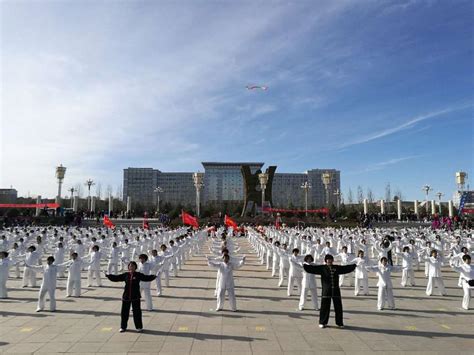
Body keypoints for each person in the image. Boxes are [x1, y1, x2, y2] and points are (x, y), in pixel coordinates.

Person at [303, 254, 356, 328]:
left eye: (330, 259)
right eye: (328, 259)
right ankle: (323, 322)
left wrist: (354, 266)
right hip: (326, 290)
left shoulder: (336, 268)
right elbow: (313, 269)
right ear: (325, 260)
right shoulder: (322, 268)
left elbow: (345, 268)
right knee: (325, 307)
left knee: (338, 307)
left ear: (332, 260)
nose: (329, 261)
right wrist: (305, 266)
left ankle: (339, 323)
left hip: (336, 290)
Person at [105, 261, 156, 333]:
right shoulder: (126, 275)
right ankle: (123, 327)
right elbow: (117, 278)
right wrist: (109, 276)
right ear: (128, 267)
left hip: (135, 296)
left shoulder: (138, 275)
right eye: (130, 266)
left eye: (133, 266)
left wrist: (154, 276)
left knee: (137, 312)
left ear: (135, 267)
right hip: (126, 296)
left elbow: (146, 278)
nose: (131, 267)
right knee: (124, 313)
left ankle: (138, 327)